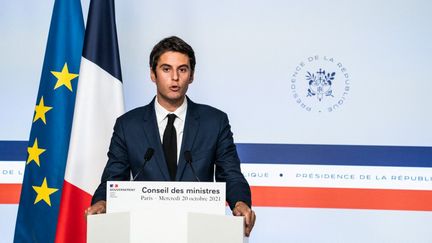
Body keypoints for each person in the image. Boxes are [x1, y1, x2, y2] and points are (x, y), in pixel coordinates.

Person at [85, 36, 256, 236]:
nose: (175, 77)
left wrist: (240, 202)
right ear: (152, 74)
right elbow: (113, 177)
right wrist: (101, 202)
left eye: (182, 70)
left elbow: (230, 174)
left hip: (199, 232)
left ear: (191, 76)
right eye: (166, 69)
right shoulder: (128, 125)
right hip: (145, 231)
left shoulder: (215, 122)